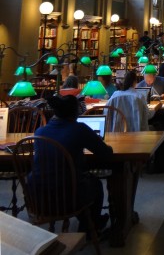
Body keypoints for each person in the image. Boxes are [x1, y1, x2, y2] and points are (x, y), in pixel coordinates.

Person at [34, 94, 113, 235]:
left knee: (77, 181)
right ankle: (90, 227)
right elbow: (105, 153)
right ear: (75, 113)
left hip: (40, 197)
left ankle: (87, 221)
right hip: (69, 197)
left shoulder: (40, 132)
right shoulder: (79, 129)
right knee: (95, 185)